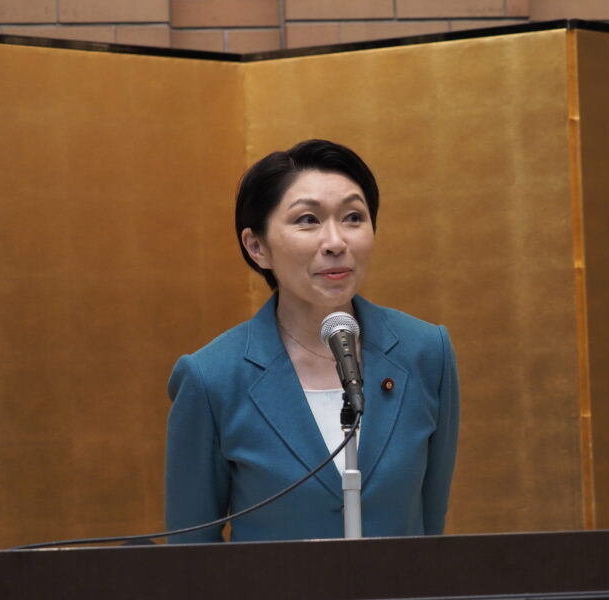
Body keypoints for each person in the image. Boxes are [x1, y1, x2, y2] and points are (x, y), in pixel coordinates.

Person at [165, 139, 459, 543]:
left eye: (353, 217)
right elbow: (190, 552)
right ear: (257, 247)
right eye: (308, 220)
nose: (336, 242)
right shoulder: (211, 378)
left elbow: (428, 523)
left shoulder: (425, 352)